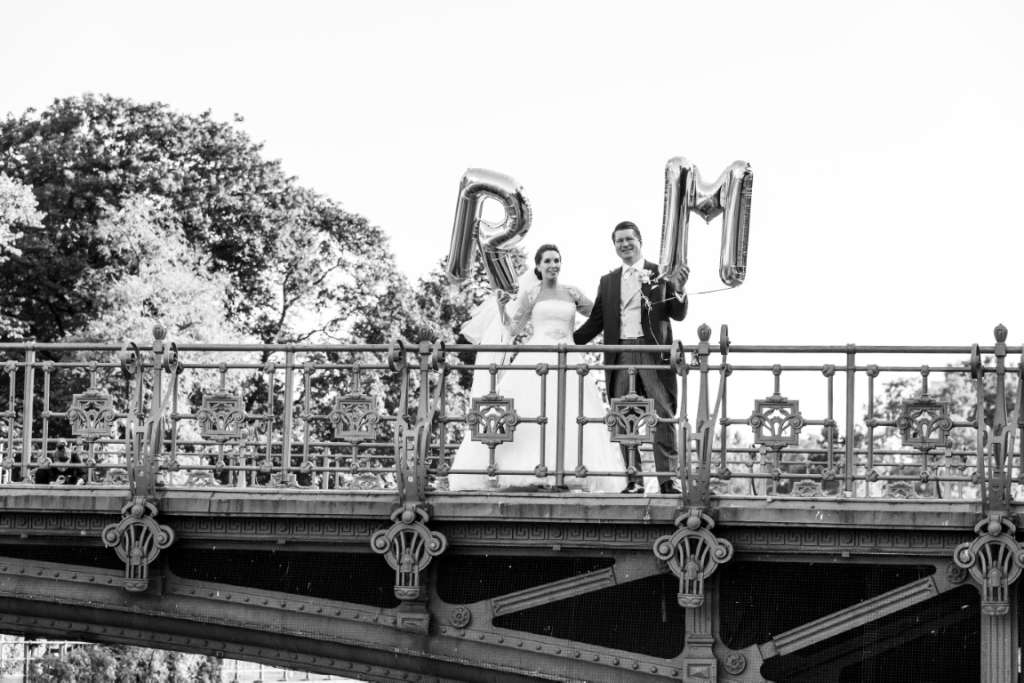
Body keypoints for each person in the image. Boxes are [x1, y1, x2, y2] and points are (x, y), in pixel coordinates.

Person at [447, 244, 627, 492]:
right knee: (533, 410)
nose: (553, 265)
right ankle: (530, 468)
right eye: (548, 261)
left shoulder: (572, 293)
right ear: (539, 266)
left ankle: (570, 471)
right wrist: (501, 307)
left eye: (557, 260)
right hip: (538, 358)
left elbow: (600, 314)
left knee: (571, 411)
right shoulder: (531, 293)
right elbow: (512, 328)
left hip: (569, 359)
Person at [573, 221, 688, 494]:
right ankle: (634, 480)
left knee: (662, 413)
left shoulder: (660, 273)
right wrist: (566, 340)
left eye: (629, 239)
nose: (624, 244)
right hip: (620, 352)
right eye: (619, 241)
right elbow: (596, 322)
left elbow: (677, 313)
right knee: (625, 415)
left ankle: (667, 480)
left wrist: (680, 289)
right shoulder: (608, 281)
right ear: (614, 246)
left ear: (639, 241)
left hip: (653, 353)